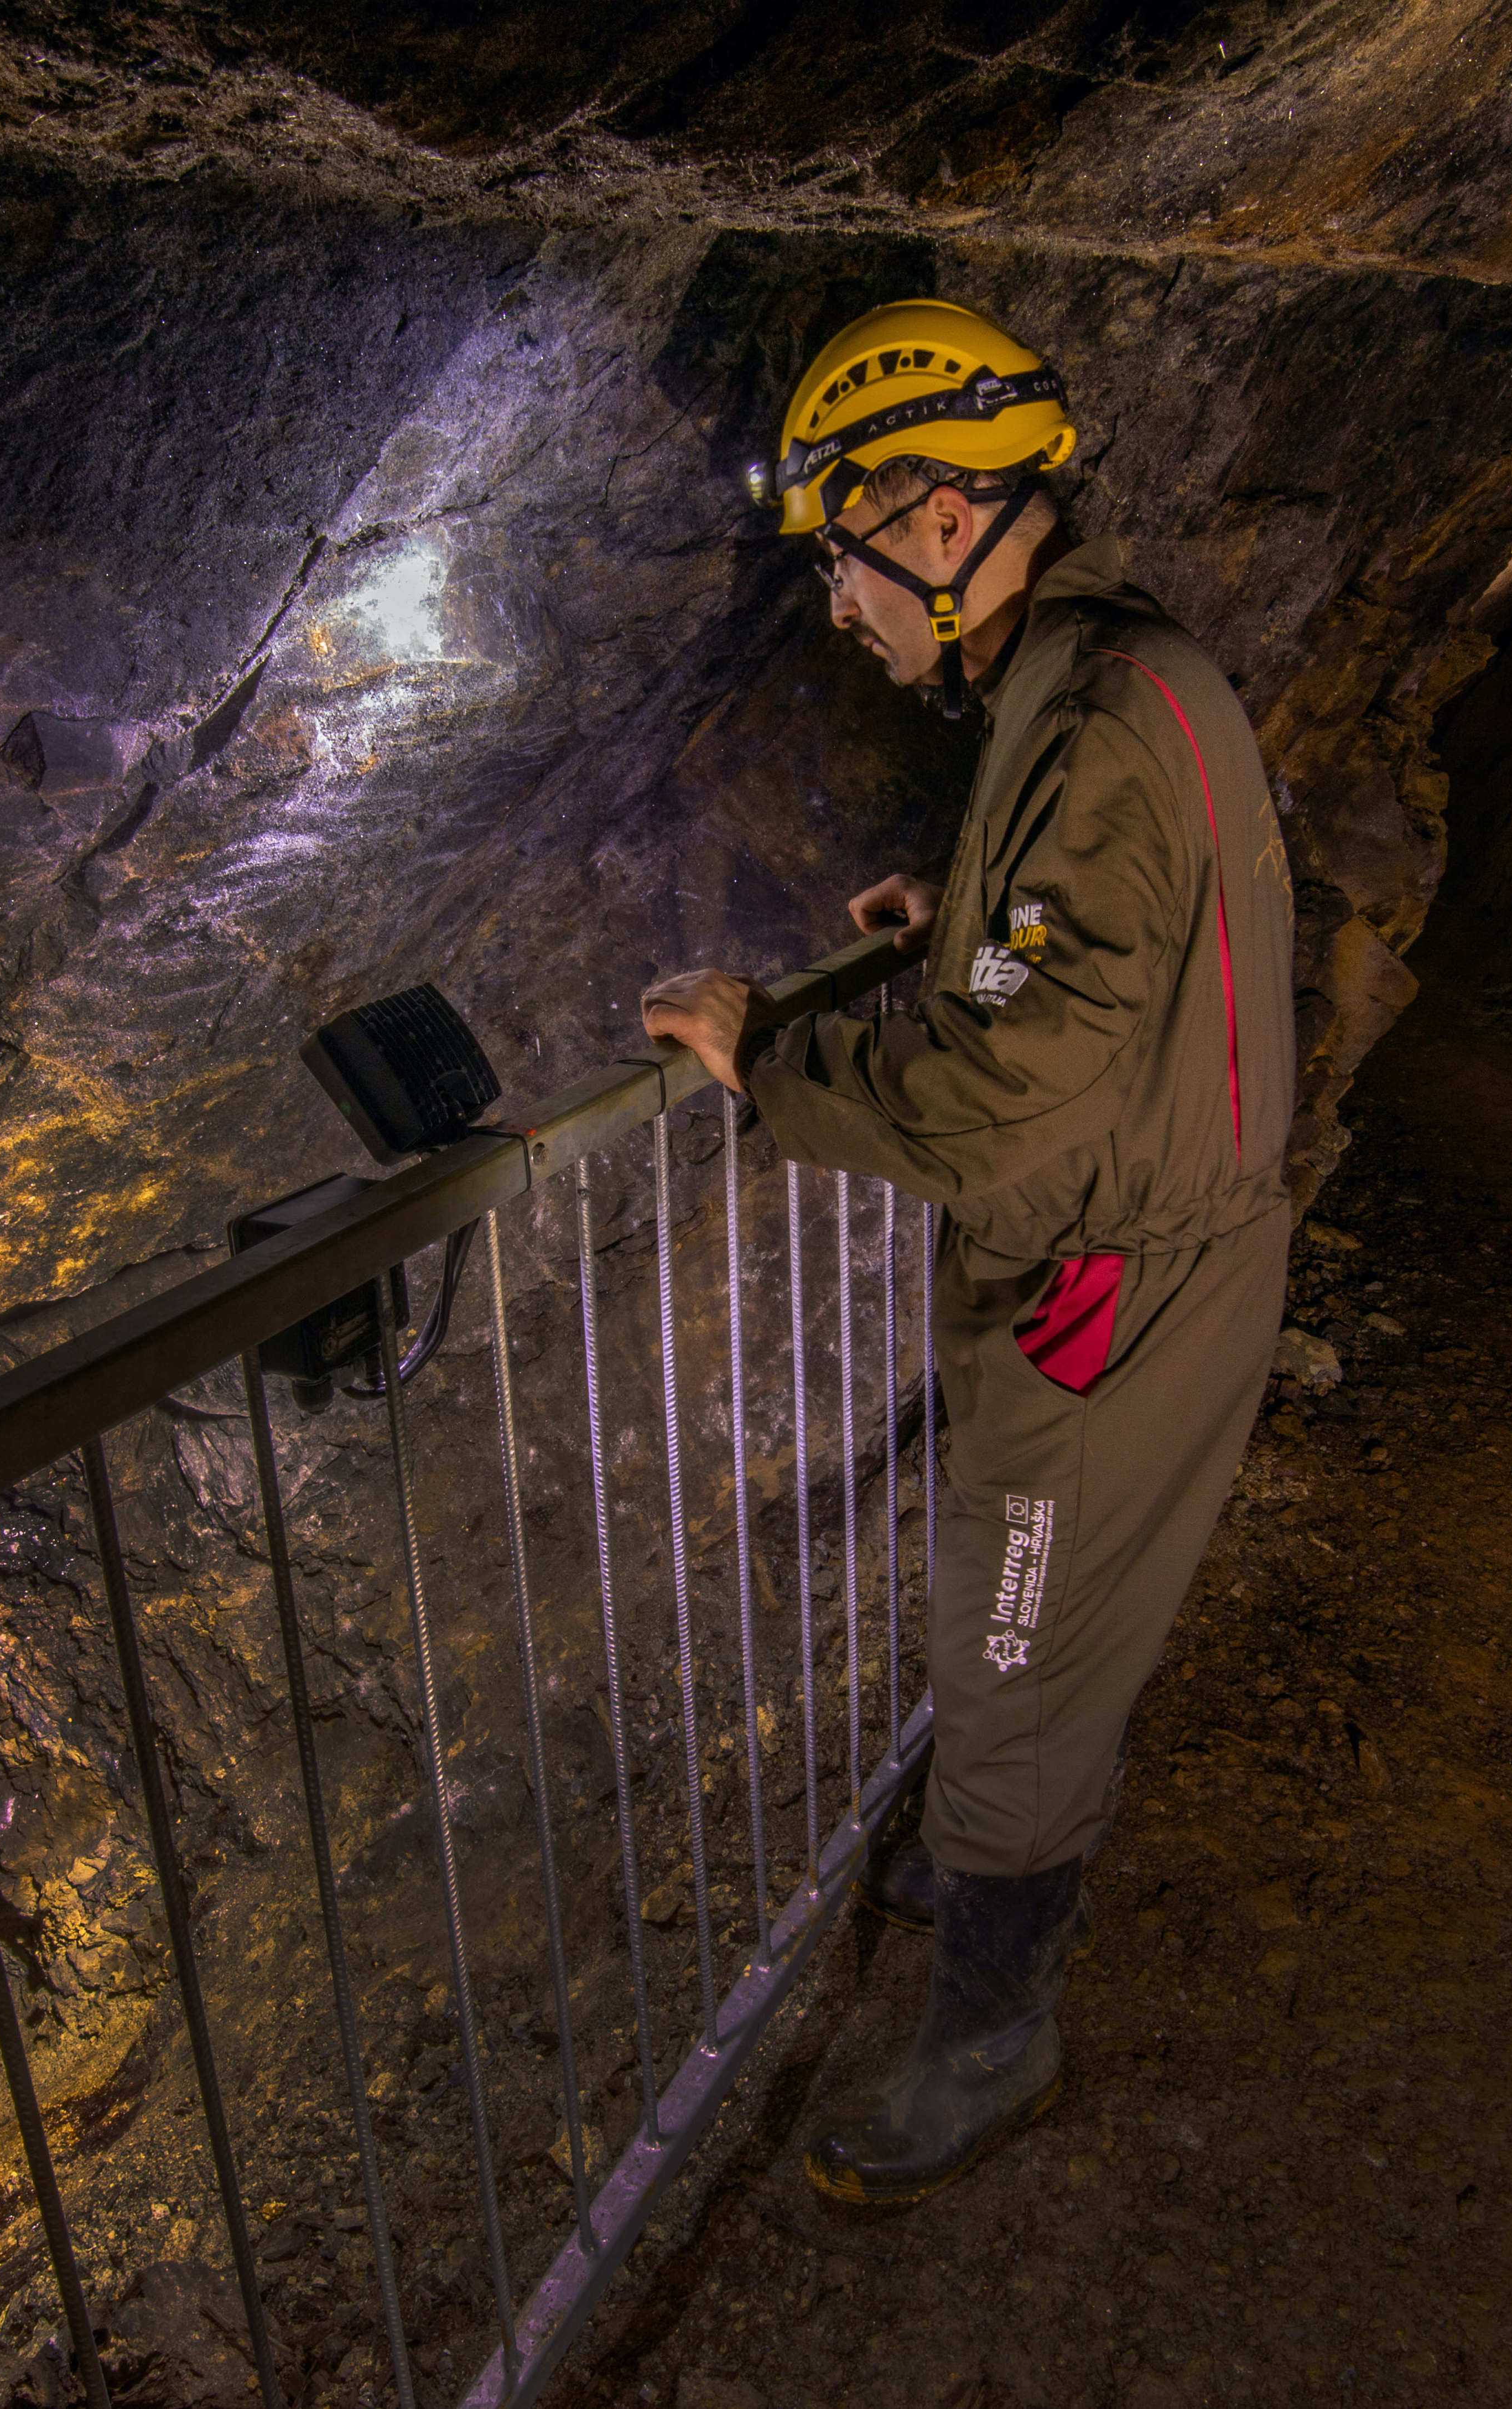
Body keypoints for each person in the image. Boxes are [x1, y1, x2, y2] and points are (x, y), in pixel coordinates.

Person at [641, 300, 1297, 2207]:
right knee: (1011, 1612)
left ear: (938, 520)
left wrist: (767, 1053)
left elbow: (1002, 1092)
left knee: (1017, 1643)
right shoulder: (1110, 667)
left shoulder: (1084, 716)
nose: (834, 601)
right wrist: (964, 927)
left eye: (841, 554)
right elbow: (1094, 951)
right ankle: (989, 1848)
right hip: (1153, 1239)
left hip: (1114, 1277)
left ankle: (993, 2031)